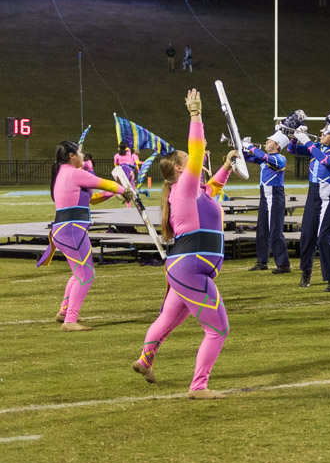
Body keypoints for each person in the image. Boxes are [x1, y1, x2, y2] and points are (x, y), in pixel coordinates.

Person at [131, 88, 236, 399]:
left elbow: (213, 188)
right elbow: (198, 145)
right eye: (187, 160)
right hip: (191, 267)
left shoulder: (195, 191)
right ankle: (198, 387)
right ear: (179, 169)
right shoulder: (184, 185)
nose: (194, 160)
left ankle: (144, 361)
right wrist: (195, 115)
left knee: (167, 319)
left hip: (183, 267)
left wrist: (227, 165)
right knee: (218, 329)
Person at [40, 139, 133, 330]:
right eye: (80, 152)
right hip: (72, 231)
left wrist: (117, 193)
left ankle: (64, 312)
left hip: (63, 231)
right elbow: (105, 183)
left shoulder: (65, 174)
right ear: (71, 156)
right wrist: (125, 190)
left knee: (78, 273)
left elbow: (92, 199)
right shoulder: (75, 174)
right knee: (86, 274)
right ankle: (70, 321)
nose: (83, 155)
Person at [288, 94, 330, 291]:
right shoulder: (319, 147)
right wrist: (294, 137)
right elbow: (292, 151)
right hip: (314, 194)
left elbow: (324, 161)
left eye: (325, 133)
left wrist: (306, 140)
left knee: (324, 237)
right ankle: (306, 272)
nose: (321, 133)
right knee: (307, 235)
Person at [244, 129, 290, 274]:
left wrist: (251, 146)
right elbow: (248, 158)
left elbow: (264, 157)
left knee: (275, 232)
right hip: (265, 196)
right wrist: (244, 148)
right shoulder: (265, 158)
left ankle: (283, 265)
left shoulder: (280, 158)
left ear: (276, 146)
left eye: (269, 141)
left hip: (275, 197)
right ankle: (262, 261)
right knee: (262, 230)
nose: (266, 142)